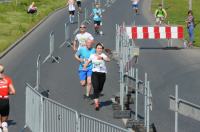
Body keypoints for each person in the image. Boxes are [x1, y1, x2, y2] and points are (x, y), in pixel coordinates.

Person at [83, 43, 110, 110]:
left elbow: (108, 59)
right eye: (98, 48)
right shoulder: (92, 55)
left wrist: (102, 58)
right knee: (95, 87)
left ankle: (97, 97)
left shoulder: (103, 55)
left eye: (101, 48)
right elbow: (88, 61)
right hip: (95, 74)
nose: (99, 49)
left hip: (102, 74)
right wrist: (85, 66)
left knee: (100, 89)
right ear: (96, 49)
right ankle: (97, 104)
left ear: (102, 49)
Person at [0, 65, 16, 132]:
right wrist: (7, 92)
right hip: (5, 101)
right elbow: (13, 92)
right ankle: (4, 126)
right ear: (3, 71)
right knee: (4, 120)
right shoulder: (8, 79)